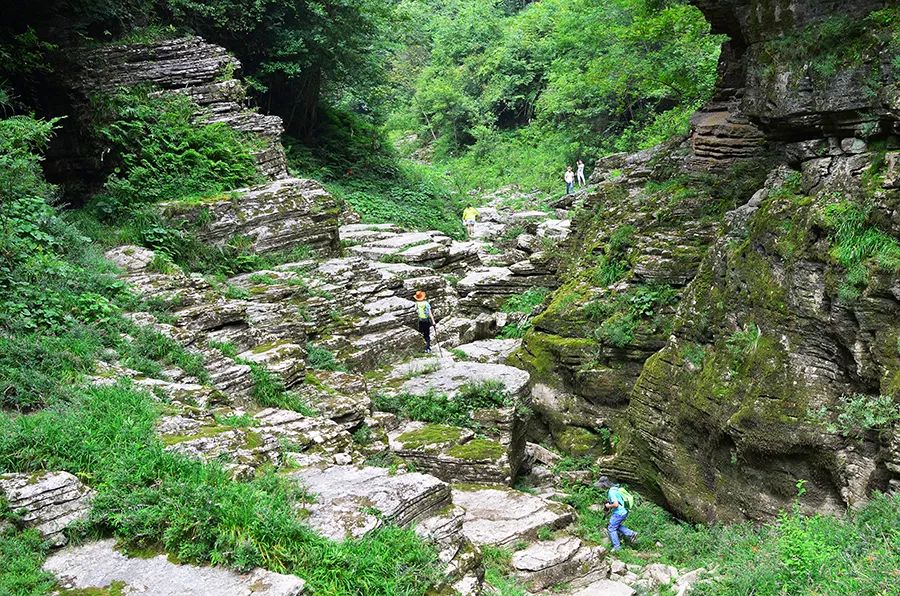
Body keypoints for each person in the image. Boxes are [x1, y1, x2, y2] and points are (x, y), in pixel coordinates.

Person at [595, 476, 637, 551]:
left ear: (604, 485)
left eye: (601, 486)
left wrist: (608, 505)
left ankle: (617, 547)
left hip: (619, 513)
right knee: (615, 526)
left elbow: (616, 504)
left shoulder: (611, 492)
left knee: (611, 528)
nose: (601, 488)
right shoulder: (615, 488)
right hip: (624, 511)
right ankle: (631, 533)